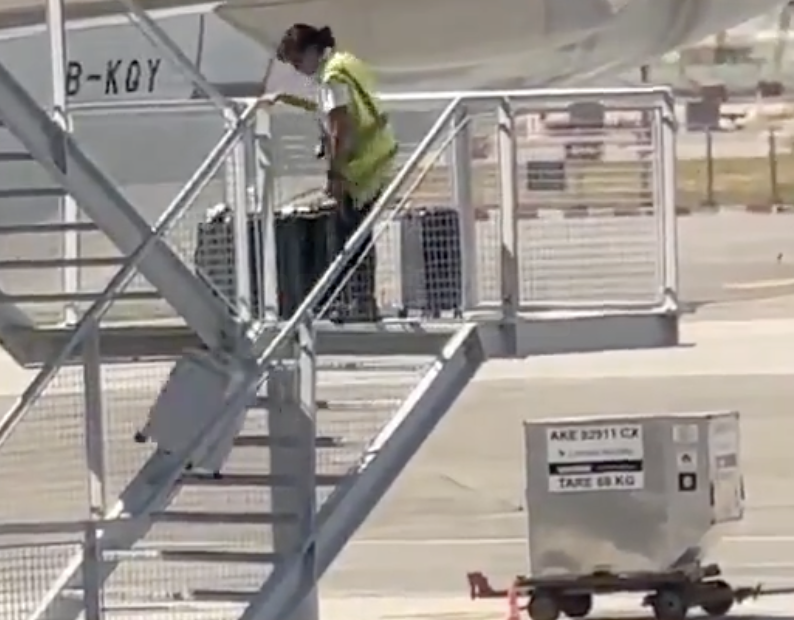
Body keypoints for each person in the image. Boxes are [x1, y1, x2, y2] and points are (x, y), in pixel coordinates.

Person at [270, 23, 398, 321]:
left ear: (311, 53)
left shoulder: (332, 79)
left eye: (297, 62)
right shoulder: (344, 64)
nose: (299, 70)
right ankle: (360, 301)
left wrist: (335, 173)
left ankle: (356, 302)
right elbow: (331, 105)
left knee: (348, 233)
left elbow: (340, 124)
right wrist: (283, 98)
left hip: (362, 163)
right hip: (379, 153)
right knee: (358, 232)